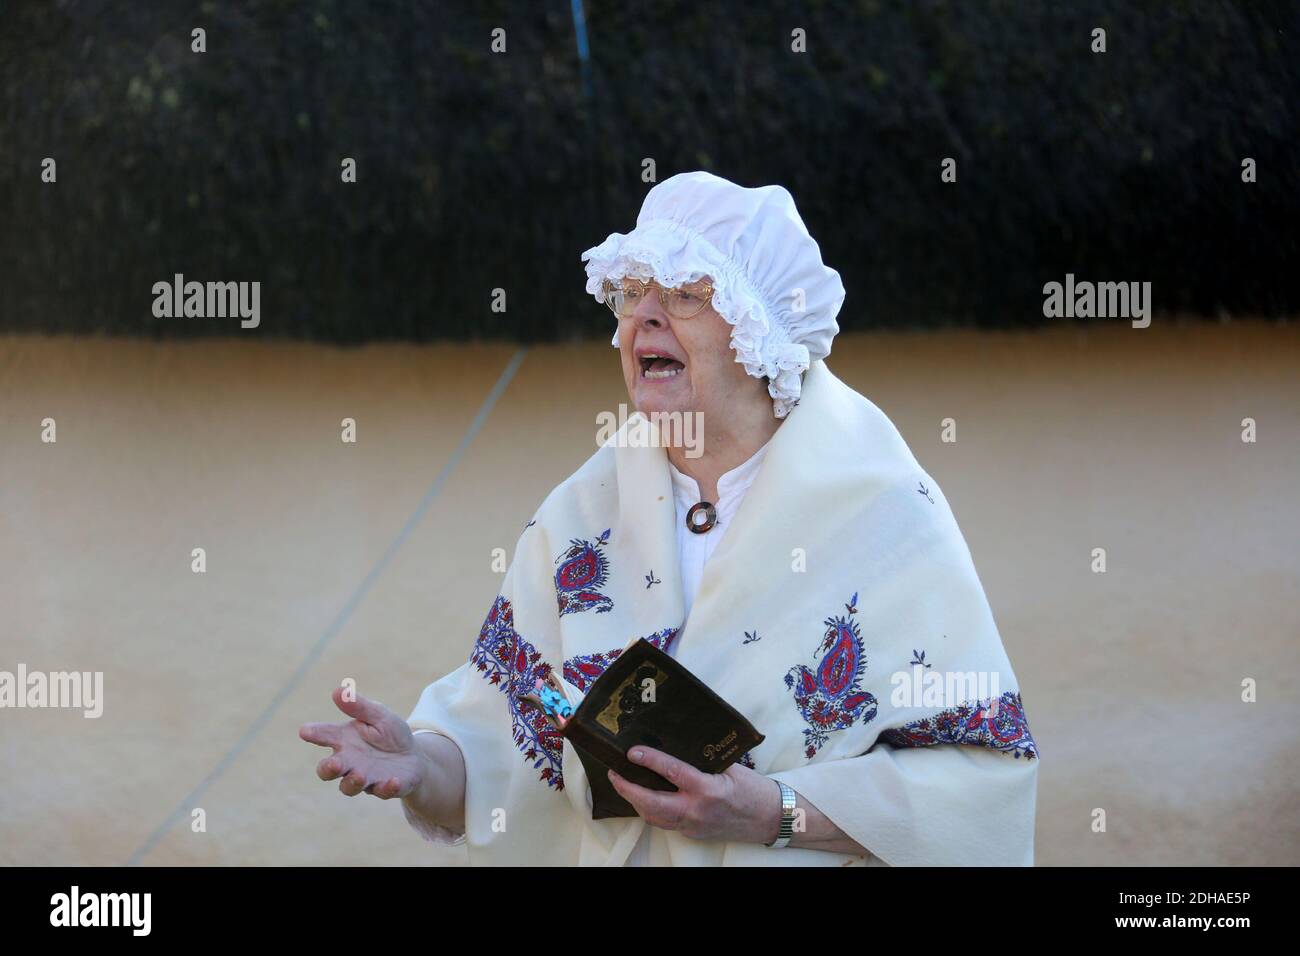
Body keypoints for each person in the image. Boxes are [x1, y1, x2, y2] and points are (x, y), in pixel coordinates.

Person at [300, 170, 1039, 866]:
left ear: (760, 334)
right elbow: (506, 750)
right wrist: (421, 763)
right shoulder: (580, 520)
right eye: (630, 293)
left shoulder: (885, 521)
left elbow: (981, 781)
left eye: (683, 293)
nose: (641, 317)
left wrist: (771, 813)